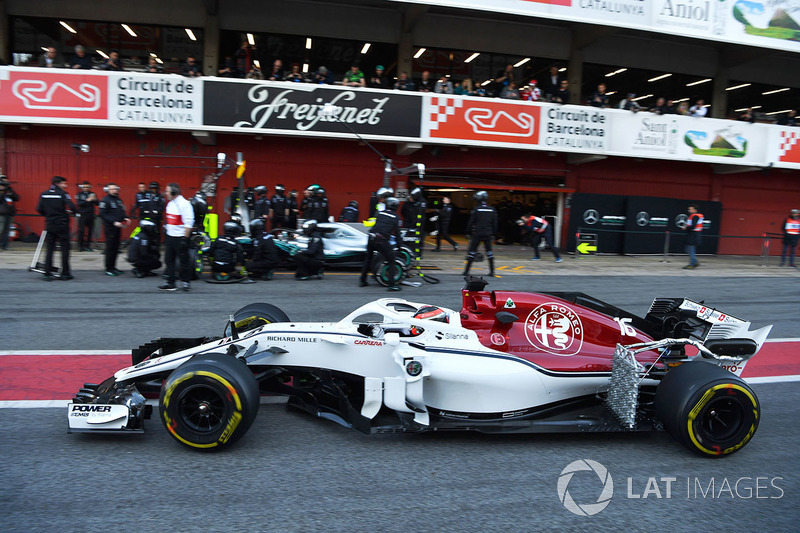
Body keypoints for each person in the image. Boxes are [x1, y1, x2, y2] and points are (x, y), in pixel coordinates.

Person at [36, 176, 76, 280]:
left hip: (50, 223)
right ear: (58, 183)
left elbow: (39, 209)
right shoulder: (63, 194)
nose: (65, 185)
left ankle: (47, 273)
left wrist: (49, 215)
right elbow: (72, 207)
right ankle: (65, 273)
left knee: (50, 249)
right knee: (65, 249)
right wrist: (72, 213)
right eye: (64, 183)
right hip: (62, 224)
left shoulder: (44, 194)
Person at [359, 197, 402, 291]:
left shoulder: (380, 214)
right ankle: (391, 285)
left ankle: (362, 280)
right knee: (391, 260)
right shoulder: (396, 218)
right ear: (396, 207)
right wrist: (400, 247)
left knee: (368, 259)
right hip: (381, 240)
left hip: (371, 237)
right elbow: (398, 235)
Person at [159, 183, 195, 292]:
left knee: (184, 260)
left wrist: (185, 238)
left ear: (174, 193)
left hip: (180, 237)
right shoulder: (170, 203)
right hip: (170, 236)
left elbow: (189, 222)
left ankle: (185, 282)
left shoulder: (184, 204)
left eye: (167, 191)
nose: (166, 193)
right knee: (169, 260)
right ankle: (171, 283)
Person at [463, 191, 498, 277]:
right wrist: (494, 234)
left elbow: (471, 222)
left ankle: (466, 271)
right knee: (489, 252)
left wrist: (467, 232)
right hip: (488, 233)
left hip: (477, 233)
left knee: (472, 252)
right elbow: (495, 223)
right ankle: (492, 272)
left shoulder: (476, 209)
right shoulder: (492, 209)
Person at [99, 183, 130, 276]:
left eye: (115, 189)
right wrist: (113, 222)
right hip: (110, 228)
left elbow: (121, 211)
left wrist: (125, 217)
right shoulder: (105, 201)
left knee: (116, 248)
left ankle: (113, 267)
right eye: (112, 189)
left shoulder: (118, 199)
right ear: (107, 190)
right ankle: (108, 268)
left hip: (118, 227)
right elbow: (103, 214)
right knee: (110, 248)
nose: (114, 190)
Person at [75, 181, 98, 252]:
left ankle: (88, 246)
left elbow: (98, 203)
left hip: (91, 214)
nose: (86, 188)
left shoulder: (93, 194)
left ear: (90, 187)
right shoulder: (79, 194)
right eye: (84, 187)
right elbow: (79, 203)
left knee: (90, 231)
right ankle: (80, 246)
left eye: (87, 187)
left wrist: (95, 199)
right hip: (83, 214)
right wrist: (88, 200)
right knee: (81, 231)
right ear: (82, 187)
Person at [0, 175, 19, 251]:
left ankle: (5, 245)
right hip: (1, 214)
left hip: (9, 213)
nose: (5, 182)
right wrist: (2, 192)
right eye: (4, 181)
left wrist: (9, 190)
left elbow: (17, 198)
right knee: (0, 229)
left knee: (7, 230)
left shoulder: (9, 190)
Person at [683, 204, 704, 269]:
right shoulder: (698, 216)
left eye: (690, 209)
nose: (689, 210)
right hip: (695, 234)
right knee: (688, 250)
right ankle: (695, 262)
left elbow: (693, 226)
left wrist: (685, 228)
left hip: (693, 235)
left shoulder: (695, 216)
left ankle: (692, 264)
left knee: (691, 250)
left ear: (695, 210)